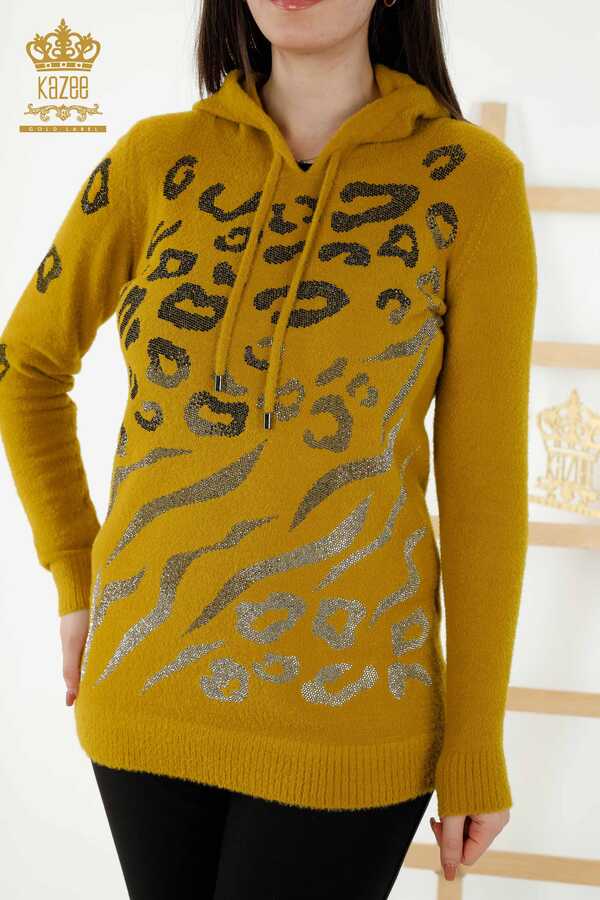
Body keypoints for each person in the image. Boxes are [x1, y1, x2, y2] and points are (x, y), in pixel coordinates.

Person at [0, 0, 537, 897]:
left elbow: (484, 491)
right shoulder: (154, 160)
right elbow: (24, 366)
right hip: (145, 695)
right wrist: (75, 574)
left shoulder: (471, 182)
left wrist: (477, 741)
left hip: (353, 712)